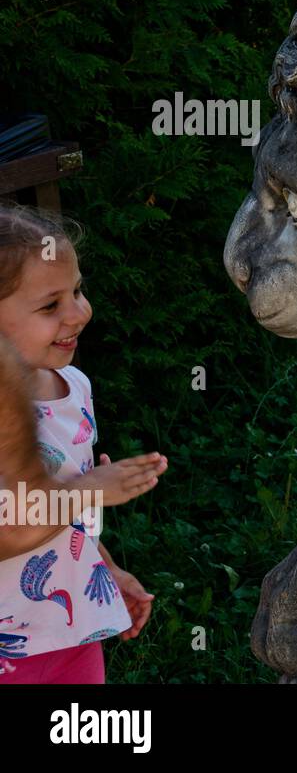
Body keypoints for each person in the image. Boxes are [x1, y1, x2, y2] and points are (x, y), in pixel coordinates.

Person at [0, 203, 167, 682]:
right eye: (50, 305)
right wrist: (91, 489)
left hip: (72, 633)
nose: (79, 313)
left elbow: (72, 516)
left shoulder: (73, 386)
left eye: (77, 291)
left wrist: (103, 571)